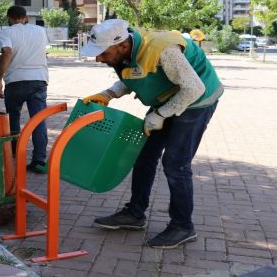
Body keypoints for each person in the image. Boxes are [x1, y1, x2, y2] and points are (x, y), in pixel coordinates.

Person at [82, 19, 222, 248]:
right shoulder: (129, 51)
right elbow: (138, 74)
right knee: (143, 154)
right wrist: (109, 93)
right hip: (171, 95)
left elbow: (194, 89)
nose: (99, 59)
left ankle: (183, 226)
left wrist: (161, 115)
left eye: (102, 53)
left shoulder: (162, 49)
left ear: (122, 46)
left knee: (175, 164)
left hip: (198, 100)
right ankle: (135, 213)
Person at [0, 6, 49, 174]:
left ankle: (14, 151)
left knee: (13, 118)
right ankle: (39, 160)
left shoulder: (7, 32)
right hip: (39, 79)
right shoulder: (40, 31)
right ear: (25, 18)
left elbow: (7, 52)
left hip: (15, 81)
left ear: (9, 18)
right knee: (38, 120)